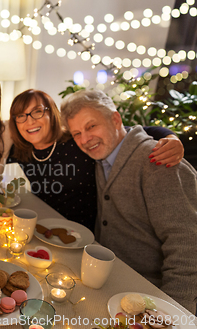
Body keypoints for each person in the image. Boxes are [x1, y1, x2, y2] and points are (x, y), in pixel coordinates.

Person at [62, 89, 197, 313]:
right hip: (111, 284)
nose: (85, 139)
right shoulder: (102, 157)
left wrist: (172, 314)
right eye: (77, 133)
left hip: (149, 296)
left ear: (115, 119)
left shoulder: (159, 162)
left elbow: (188, 248)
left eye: (91, 126)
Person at [6, 89, 183, 231]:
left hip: (86, 236)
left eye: (37, 112)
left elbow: (129, 131)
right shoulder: (19, 152)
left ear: (52, 113)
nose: (29, 121)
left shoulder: (78, 141)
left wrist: (171, 137)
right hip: (44, 230)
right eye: (21, 116)